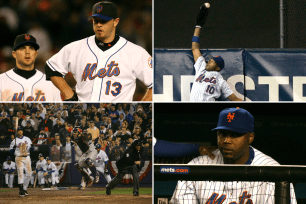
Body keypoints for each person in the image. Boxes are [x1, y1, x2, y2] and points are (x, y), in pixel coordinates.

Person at [170, 107, 297, 204]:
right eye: (222, 134)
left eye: (235, 135)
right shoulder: (196, 167)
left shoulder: (273, 171)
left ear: (250, 137)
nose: (227, 140)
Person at [44, 1, 153, 101]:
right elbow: (51, 67)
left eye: (104, 21)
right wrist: (68, 93)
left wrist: (141, 108)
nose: (99, 25)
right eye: (96, 21)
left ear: (115, 22)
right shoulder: (77, 47)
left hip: (116, 118)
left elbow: (157, 82)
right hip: (84, 117)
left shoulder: (134, 52)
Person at [190, 5, 242, 101]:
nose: (209, 61)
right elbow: (195, 48)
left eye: (212, 61)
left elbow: (235, 99)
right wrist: (198, 26)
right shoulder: (201, 66)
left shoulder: (220, 80)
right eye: (210, 59)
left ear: (217, 68)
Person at [0, 34, 61, 101]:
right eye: (22, 48)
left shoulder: (50, 83)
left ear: (35, 54)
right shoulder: (2, 81)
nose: (27, 52)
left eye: (31, 48)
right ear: (14, 54)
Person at [9, 127, 32, 197]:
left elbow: (32, 148)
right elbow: (10, 151)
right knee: (20, 173)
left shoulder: (27, 139)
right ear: (17, 132)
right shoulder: (14, 141)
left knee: (29, 174)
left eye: (21, 130)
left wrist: (30, 147)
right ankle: (21, 190)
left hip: (27, 157)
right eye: (19, 131)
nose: (20, 132)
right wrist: (14, 148)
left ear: (22, 131)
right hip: (19, 158)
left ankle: (24, 188)